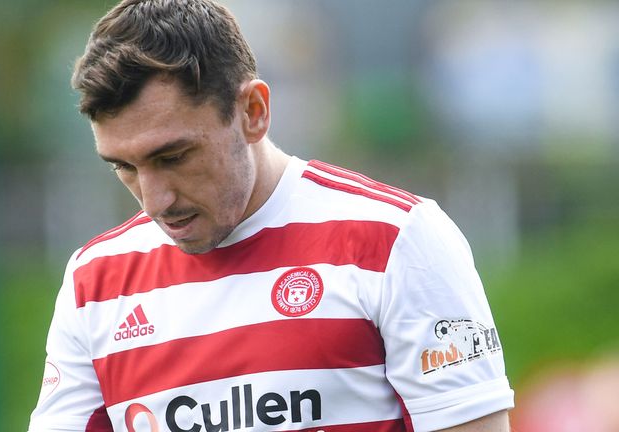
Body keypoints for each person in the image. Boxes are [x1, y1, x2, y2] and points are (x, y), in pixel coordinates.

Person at [28, 1, 515, 431]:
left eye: (173, 157)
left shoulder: (397, 241)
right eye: (124, 167)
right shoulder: (95, 281)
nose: (154, 201)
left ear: (253, 111)